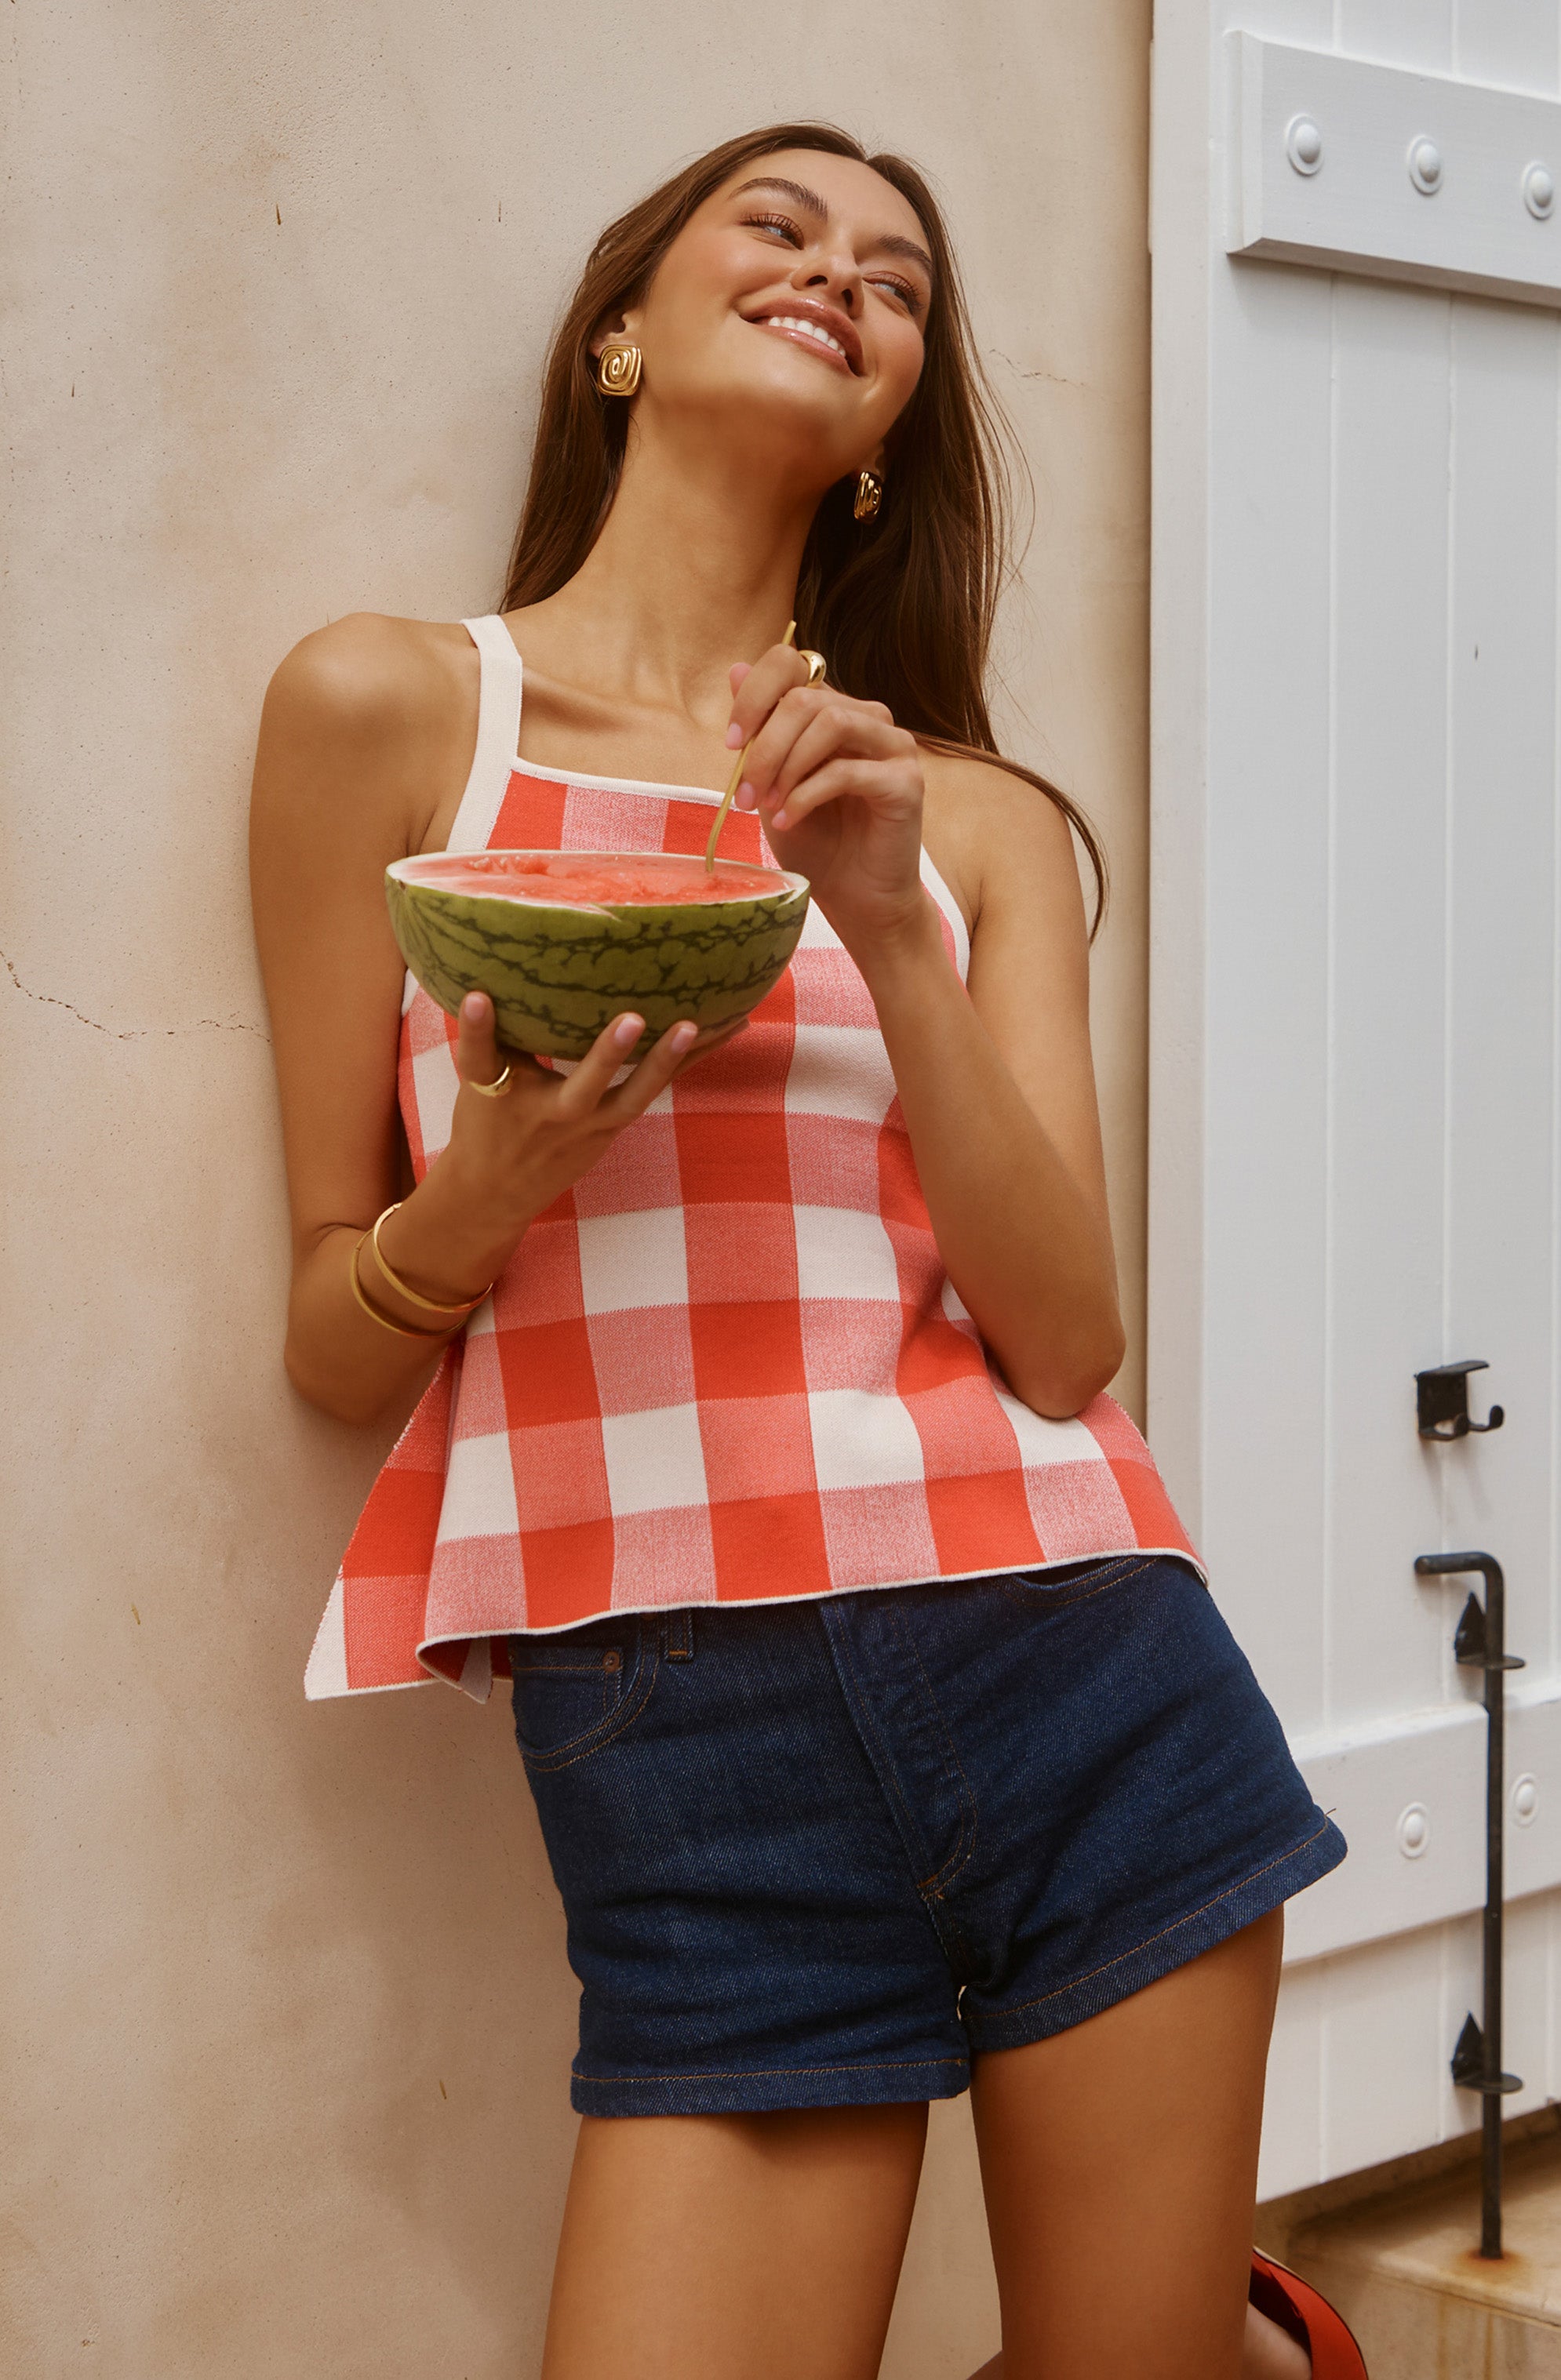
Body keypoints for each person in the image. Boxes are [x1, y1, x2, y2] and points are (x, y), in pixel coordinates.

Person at [251, 123, 1360, 2380]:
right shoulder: (390, 715)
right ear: (621, 332)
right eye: (777, 226)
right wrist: (485, 1192)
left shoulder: (973, 821)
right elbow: (327, 1335)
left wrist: (886, 918)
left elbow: (1067, 1340)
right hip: (683, 1736)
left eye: (901, 279)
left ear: (884, 449)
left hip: (1081, 1658)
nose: (841, 274)